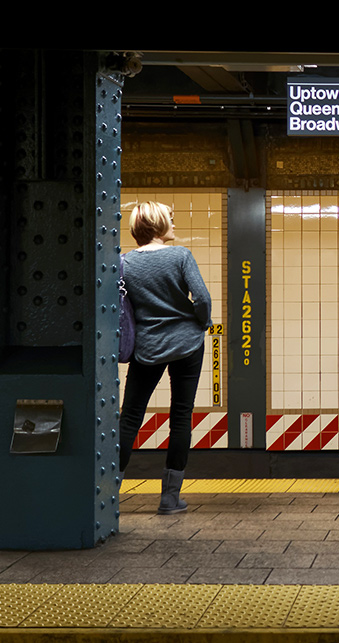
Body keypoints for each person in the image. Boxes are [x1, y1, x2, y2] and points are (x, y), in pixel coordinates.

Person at [116, 201, 211, 515]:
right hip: (187, 343)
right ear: (157, 225)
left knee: (130, 416)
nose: (174, 224)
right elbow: (202, 297)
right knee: (181, 416)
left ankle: (107, 490)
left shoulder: (124, 263)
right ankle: (170, 498)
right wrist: (201, 321)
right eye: (170, 218)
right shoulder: (181, 255)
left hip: (148, 347)